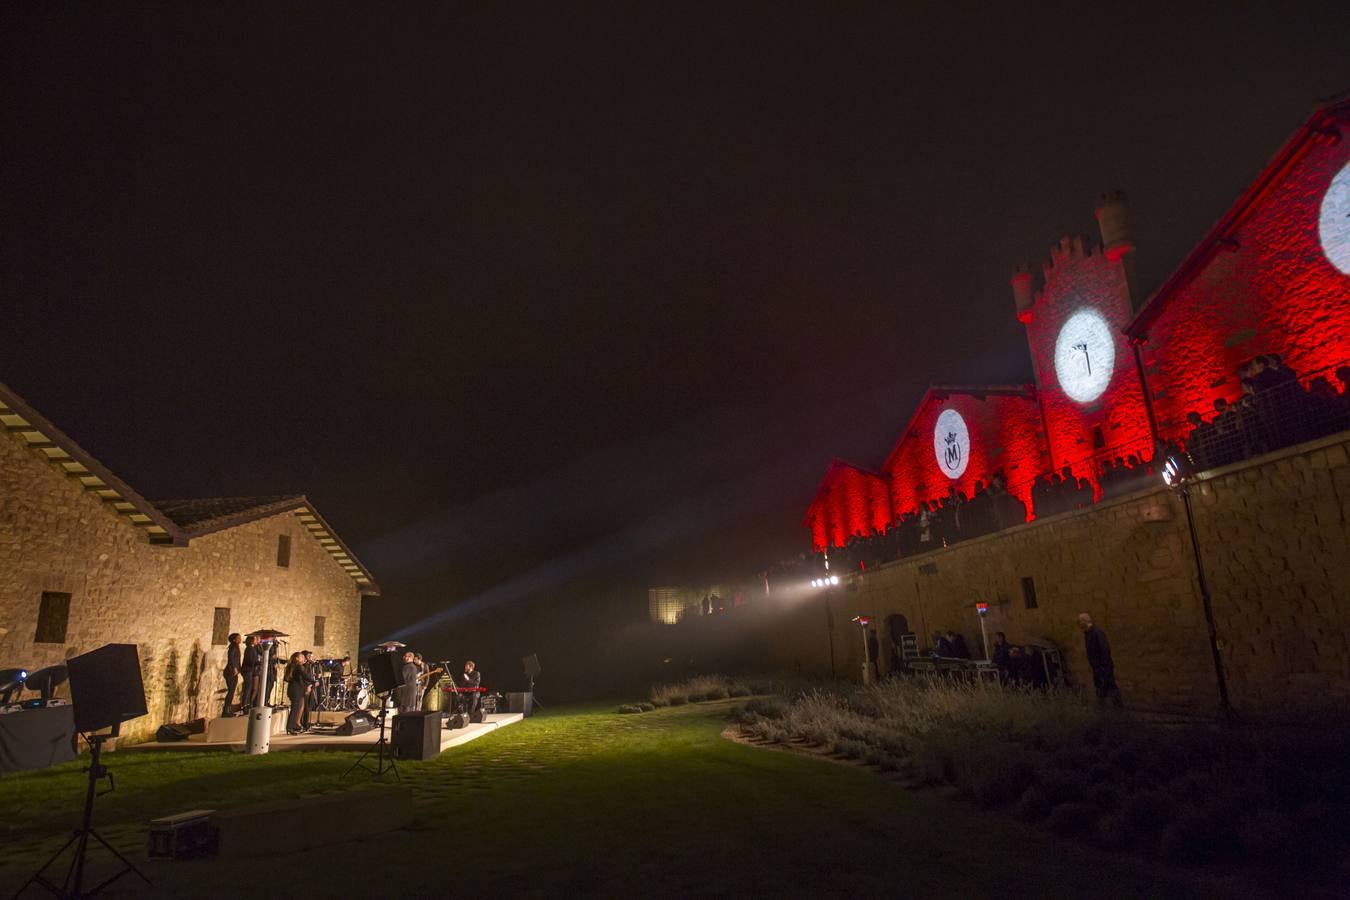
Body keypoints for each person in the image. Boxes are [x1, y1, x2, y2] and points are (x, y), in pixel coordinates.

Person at [1078, 613, 1122, 708]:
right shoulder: (1087, 634)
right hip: (1097, 666)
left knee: (1110, 685)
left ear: (1085, 621)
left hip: (1103, 666)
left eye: (1080, 621)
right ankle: (1102, 709)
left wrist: (1103, 665)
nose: (1079, 623)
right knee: (1099, 686)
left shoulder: (1097, 633)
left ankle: (1118, 708)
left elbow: (1105, 649)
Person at [285, 652, 316, 734]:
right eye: (301, 657)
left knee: (297, 708)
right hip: (296, 690)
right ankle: (290, 727)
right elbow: (305, 676)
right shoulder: (298, 667)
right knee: (295, 709)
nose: (304, 658)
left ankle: (294, 725)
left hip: (295, 689)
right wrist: (314, 681)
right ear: (296, 658)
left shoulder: (293, 666)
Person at [222, 632, 243, 717]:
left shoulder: (236, 647)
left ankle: (227, 709)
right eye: (238, 638)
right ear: (234, 640)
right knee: (231, 691)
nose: (240, 639)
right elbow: (231, 658)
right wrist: (234, 668)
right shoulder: (233, 647)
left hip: (234, 671)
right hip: (230, 672)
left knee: (232, 691)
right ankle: (226, 710)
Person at [240, 634, 261, 710]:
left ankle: (247, 704)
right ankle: (244, 705)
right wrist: (258, 662)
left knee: (249, 688)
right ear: (252, 641)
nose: (256, 641)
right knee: (247, 688)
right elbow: (249, 660)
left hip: (250, 670)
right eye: (255, 639)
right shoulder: (249, 648)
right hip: (247, 670)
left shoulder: (252, 648)